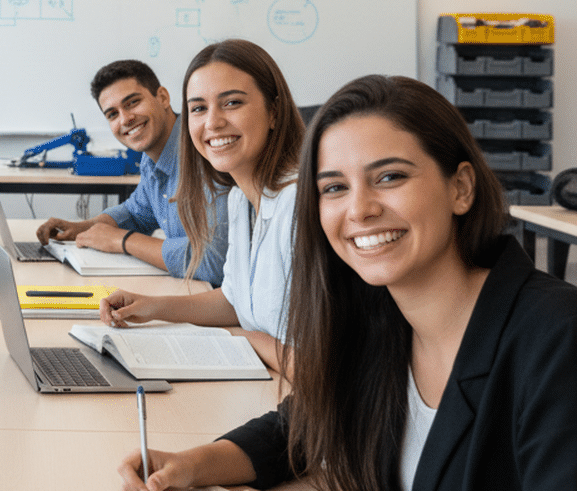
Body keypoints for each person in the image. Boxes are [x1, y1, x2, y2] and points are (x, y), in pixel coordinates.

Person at [117, 75, 577, 491]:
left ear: (460, 188)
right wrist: (191, 466)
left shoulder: (555, 337)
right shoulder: (379, 312)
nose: (360, 210)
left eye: (390, 177)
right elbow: (306, 421)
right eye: (334, 188)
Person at [100, 40, 303, 372]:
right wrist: (153, 307)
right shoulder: (240, 199)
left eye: (232, 103)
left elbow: (323, 368)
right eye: (198, 108)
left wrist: (244, 337)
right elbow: (234, 300)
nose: (213, 122)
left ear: (274, 112)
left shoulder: (299, 206)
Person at [35, 59, 228, 285]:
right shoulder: (151, 157)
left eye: (133, 102)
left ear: (163, 97)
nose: (125, 119)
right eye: (112, 114)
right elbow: (137, 213)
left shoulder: (205, 151)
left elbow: (214, 260)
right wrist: (83, 228)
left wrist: (123, 240)